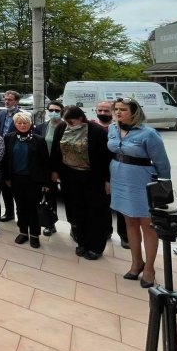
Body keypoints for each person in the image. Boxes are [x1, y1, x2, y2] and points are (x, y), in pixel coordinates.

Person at [107, 97, 171, 288]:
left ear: (134, 112)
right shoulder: (112, 129)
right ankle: (136, 262)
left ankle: (150, 268)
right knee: (129, 221)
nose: (118, 112)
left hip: (141, 180)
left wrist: (163, 187)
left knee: (147, 224)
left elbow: (162, 163)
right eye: (116, 109)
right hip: (119, 177)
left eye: (123, 109)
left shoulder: (149, 133)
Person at [49, 107, 112, 258]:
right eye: (67, 122)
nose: (69, 125)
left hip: (92, 177)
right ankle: (82, 242)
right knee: (77, 210)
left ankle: (96, 247)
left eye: (72, 121)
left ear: (81, 118)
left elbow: (106, 158)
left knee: (94, 212)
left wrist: (107, 180)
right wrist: (54, 170)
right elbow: (56, 150)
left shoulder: (96, 131)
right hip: (70, 176)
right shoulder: (62, 127)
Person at [2, 112, 51, 247]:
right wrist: (6, 177)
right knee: (20, 207)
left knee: (32, 208)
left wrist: (47, 183)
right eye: (19, 123)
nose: (22, 125)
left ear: (30, 124)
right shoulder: (9, 138)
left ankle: (35, 235)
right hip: (16, 179)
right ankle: (23, 232)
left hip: (33, 180)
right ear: (15, 124)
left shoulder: (39, 140)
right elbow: (6, 159)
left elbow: (45, 163)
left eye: (25, 123)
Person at [92, 100, 129, 249]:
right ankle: (106, 231)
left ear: (112, 112)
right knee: (103, 205)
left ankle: (125, 236)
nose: (102, 113)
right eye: (100, 110)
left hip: (119, 172)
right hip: (98, 173)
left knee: (121, 206)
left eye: (106, 111)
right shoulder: (92, 127)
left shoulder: (120, 128)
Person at [35, 100, 64, 237]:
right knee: (42, 196)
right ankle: (45, 222)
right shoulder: (41, 126)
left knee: (52, 196)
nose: (53, 112)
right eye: (51, 110)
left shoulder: (65, 127)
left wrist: (57, 171)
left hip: (57, 167)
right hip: (41, 167)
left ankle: (52, 224)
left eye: (57, 110)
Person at [0, 90, 22, 222]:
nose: (6, 101)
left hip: (15, 154)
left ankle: (20, 214)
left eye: (10, 99)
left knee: (16, 187)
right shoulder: (0, 114)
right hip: (1, 154)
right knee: (4, 185)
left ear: (16, 101)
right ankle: (9, 212)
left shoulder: (22, 116)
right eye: (5, 99)